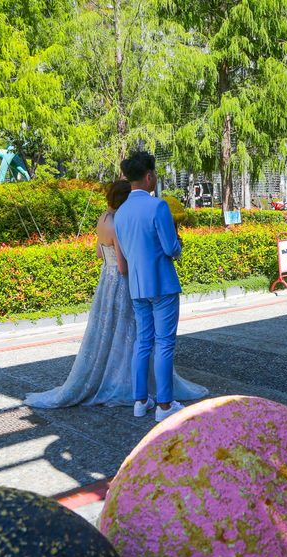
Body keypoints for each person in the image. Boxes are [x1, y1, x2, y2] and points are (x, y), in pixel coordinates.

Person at [24, 182, 207, 408]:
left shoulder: (102, 219)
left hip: (105, 281)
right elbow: (123, 266)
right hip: (123, 282)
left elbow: (100, 252)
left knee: (114, 332)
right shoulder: (118, 222)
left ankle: (136, 393)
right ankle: (150, 394)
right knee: (138, 335)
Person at [116, 151, 185, 422]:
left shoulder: (120, 213)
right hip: (162, 283)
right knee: (165, 344)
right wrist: (179, 246)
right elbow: (171, 248)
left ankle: (140, 400)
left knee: (142, 343)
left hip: (137, 286)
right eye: (154, 174)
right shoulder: (158, 207)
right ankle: (165, 405)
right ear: (148, 176)